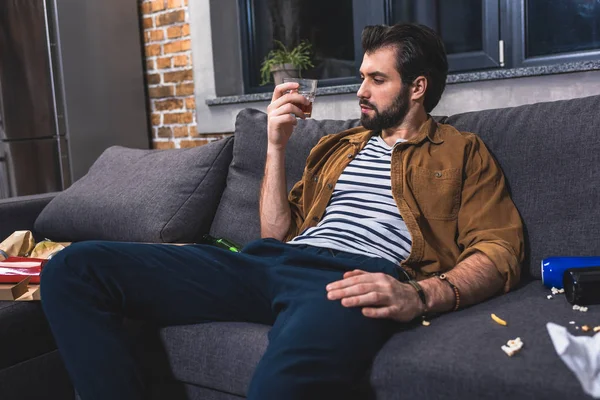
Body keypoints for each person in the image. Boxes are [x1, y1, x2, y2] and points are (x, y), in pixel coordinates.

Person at [40, 23, 523, 400]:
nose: (361, 91)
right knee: (73, 269)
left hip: (350, 279)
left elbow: (500, 250)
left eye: (377, 80)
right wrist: (275, 146)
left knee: (284, 386)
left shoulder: (462, 151)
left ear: (417, 87)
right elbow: (275, 233)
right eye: (361, 78)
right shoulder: (338, 147)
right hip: (266, 263)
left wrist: (420, 295)